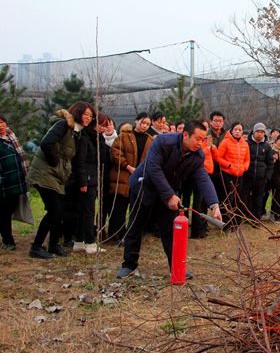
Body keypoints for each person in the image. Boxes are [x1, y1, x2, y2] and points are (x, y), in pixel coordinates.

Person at [116, 120, 221, 279]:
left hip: (167, 195)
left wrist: (214, 205)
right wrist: (169, 195)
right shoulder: (163, 142)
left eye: (203, 139)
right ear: (185, 134)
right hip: (145, 187)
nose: (201, 143)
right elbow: (154, 169)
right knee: (135, 227)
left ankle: (176, 267)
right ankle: (129, 264)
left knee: (171, 231)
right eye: (198, 139)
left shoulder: (197, 155)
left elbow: (203, 178)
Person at [27, 101, 94, 259]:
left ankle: (54, 244)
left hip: (56, 176)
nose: (88, 118)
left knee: (59, 211)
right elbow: (46, 143)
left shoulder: (77, 133)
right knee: (55, 210)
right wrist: (55, 163)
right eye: (86, 114)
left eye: (91, 116)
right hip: (44, 173)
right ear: (77, 113)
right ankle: (36, 247)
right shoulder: (63, 125)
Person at [106, 113, 154, 243]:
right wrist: (127, 166)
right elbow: (116, 153)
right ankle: (116, 235)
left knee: (134, 209)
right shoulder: (124, 136)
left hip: (139, 179)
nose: (144, 126)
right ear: (136, 121)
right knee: (119, 209)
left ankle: (130, 234)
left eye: (147, 124)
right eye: (142, 122)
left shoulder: (150, 140)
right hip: (122, 177)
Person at [71, 112, 109, 254]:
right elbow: (80, 161)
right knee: (88, 211)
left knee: (84, 211)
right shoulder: (85, 137)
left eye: (106, 126)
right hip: (87, 179)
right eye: (101, 125)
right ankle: (90, 242)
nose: (103, 128)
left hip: (93, 178)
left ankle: (79, 241)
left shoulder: (97, 138)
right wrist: (83, 181)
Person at [182, 119, 218, 238]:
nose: (200, 141)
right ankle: (183, 226)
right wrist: (207, 147)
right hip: (187, 176)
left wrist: (214, 205)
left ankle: (197, 230)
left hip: (203, 174)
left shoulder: (203, 145)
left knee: (198, 203)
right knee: (185, 202)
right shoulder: (194, 142)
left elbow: (212, 158)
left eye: (206, 128)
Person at [0, 115, 29, 250]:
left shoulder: (11, 137)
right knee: (4, 212)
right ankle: (8, 240)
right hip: (4, 184)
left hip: (16, 181)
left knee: (9, 210)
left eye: (2, 122)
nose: (1, 126)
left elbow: (21, 157)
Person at [216, 121, 250, 229]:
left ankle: (235, 222)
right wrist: (228, 165)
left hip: (240, 175)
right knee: (227, 199)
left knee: (237, 199)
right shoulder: (225, 142)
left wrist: (245, 167)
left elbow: (247, 159)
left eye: (240, 130)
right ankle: (225, 223)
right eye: (235, 129)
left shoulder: (245, 144)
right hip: (227, 174)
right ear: (231, 130)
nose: (237, 132)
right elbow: (218, 157)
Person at [240, 122, 273, 223]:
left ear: (265, 134)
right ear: (253, 132)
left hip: (260, 178)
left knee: (258, 199)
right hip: (247, 176)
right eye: (258, 131)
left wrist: (266, 177)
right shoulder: (246, 144)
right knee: (244, 198)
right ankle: (246, 217)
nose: (260, 134)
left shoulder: (267, 147)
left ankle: (256, 219)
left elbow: (270, 164)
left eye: (262, 132)